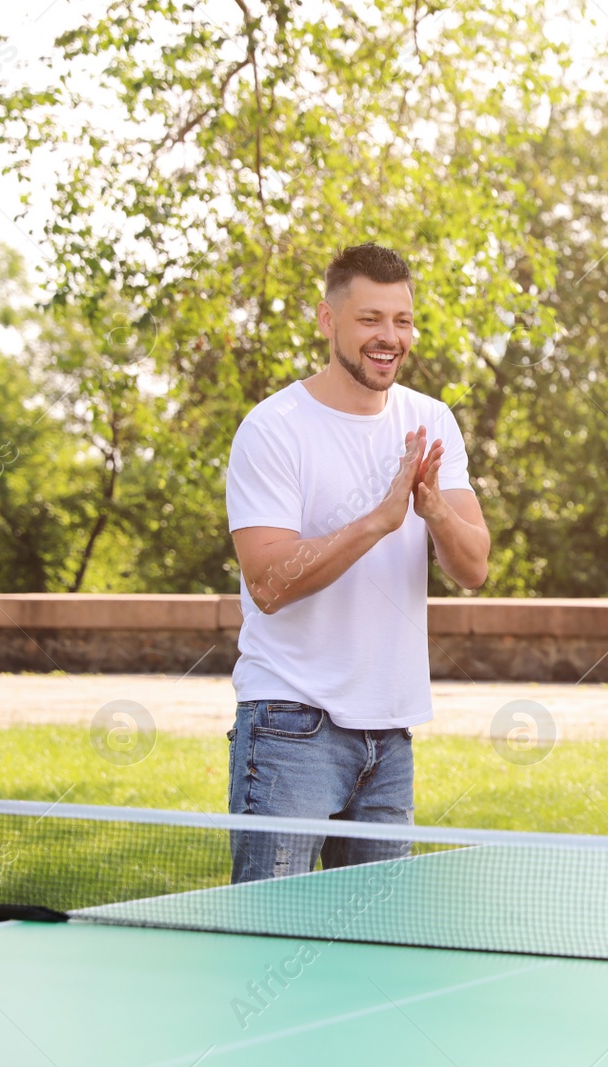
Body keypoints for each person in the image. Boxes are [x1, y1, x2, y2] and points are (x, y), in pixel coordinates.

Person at [224, 243, 490, 882]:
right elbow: (267, 583)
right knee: (269, 936)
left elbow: (474, 566)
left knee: (372, 954)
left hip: (390, 732)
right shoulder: (274, 427)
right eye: (371, 319)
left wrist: (434, 510)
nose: (389, 338)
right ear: (327, 320)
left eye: (402, 321)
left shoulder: (431, 420)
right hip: (290, 724)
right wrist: (378, 519)